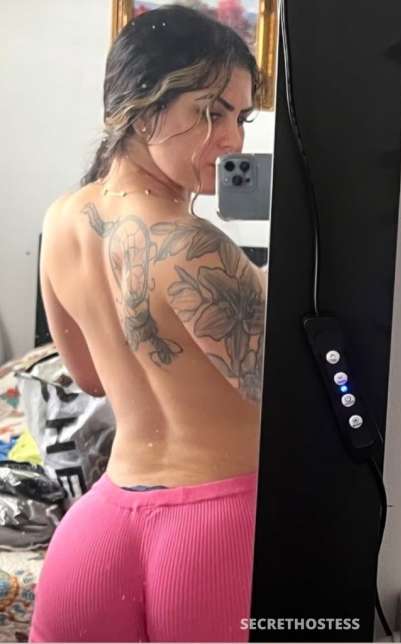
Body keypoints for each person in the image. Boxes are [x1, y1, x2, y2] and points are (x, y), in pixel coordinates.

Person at [28, 5, 267, 642]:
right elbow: (285, 397)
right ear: (141, 109)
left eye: (241, 118)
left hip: (101, 530)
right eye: (211, 112)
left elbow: (88, 377)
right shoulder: (193, 244)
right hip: (213, 529)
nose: (234, 141)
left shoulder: (61, 218)